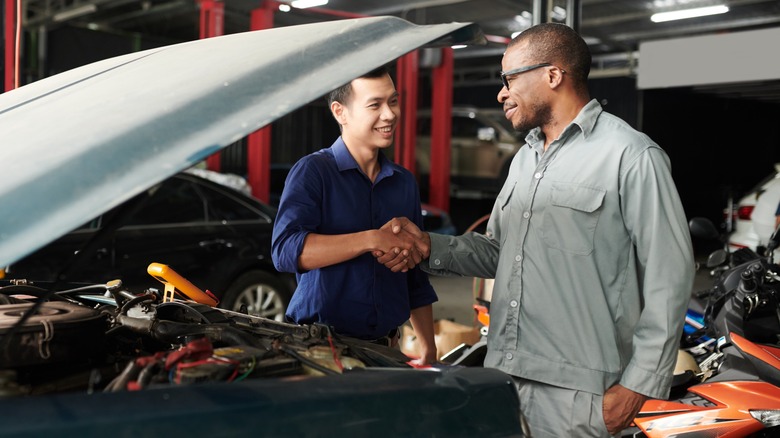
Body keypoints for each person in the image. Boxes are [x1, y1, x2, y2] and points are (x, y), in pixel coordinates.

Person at [377, 23, 694, 437]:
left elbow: (670, 276)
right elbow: (498, 251)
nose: (501, 93)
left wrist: (639, 384)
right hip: (506, 375)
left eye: (509, 79)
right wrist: (426, 246)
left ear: (553, 75)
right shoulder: (525, 159)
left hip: (580, 394)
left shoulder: (630, 156)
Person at [271, 65, 438, 365]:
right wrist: (371, 239)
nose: (389, 114)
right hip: (323, 352)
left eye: (393, 101)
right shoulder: (314, 172)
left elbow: (414, 276)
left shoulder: (403, 183)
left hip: (387, 352)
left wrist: (429, 350)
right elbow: (285, 251)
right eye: (375, 105)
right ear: (340, 112)